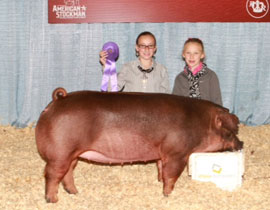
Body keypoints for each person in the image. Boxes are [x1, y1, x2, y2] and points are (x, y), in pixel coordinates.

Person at [99, 31, 170, 93]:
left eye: (150, 46)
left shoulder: (162, 70)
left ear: (155, 48)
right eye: (142, 46)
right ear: (137, 48)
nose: (146, 49)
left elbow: (166, 97)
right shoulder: (127, 68)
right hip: (131, 108)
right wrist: (107, 66)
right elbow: (111, 89)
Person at [172, 38, 223, 106]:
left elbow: (218, 103)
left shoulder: (211, 76)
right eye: (188, 53)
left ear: (202, 55)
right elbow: (174, 104)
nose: (191, 57)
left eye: (196, 53)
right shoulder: (180, 78)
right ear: (183, 54)